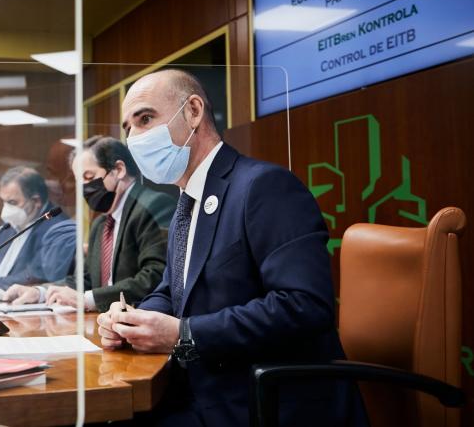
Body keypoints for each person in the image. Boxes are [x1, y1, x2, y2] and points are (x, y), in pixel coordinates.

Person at [97, 69, 368, 426]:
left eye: (145, 119)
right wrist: (132, 320)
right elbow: (171, 290)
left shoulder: (264, 186)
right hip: (203, 388)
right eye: (128, 127)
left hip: (263, 400)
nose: (134, 138)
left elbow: (305, 305)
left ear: (193, 112)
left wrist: (184, 335)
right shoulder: (187, 201)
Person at [3, 136, 176, 313]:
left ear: (118, 169)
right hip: (103, 322)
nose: (85, 188)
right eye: (80, 181)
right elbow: (86, 279)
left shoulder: (153, 206)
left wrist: (88, 299)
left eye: (89, 176)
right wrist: (40, 292)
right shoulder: (101, 223)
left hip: (140, 320)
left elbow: (156, 275)